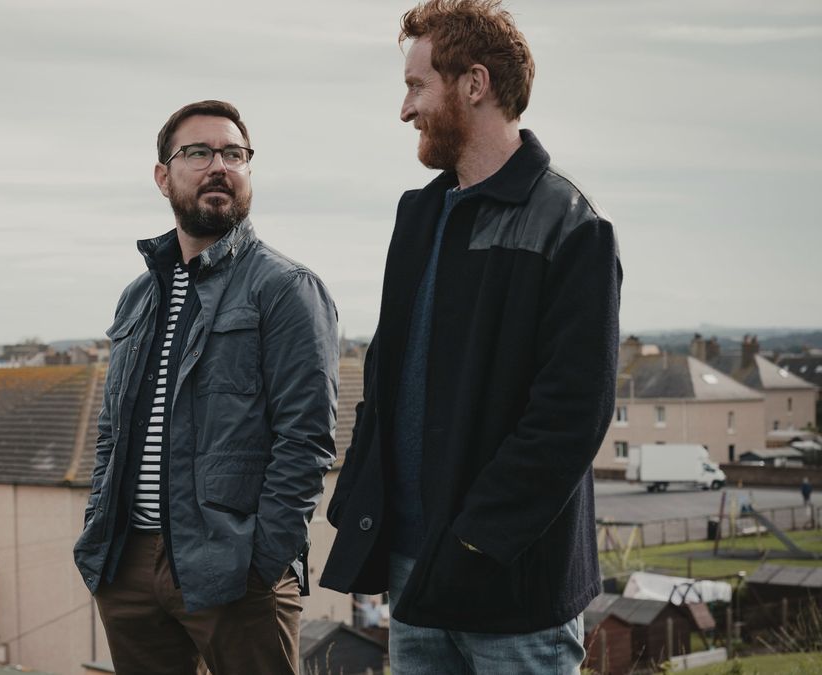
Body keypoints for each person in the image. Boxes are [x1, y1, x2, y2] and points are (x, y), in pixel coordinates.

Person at [319, 2, 622, 673]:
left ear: (474, 84)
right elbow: (385, 380)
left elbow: (571, 415)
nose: (404, 109)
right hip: (416, 578)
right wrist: (362, 505)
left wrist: (474, 543)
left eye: (416, 86)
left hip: (512, 592)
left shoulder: (571, 226)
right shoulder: (418, 215)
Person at [72, 100, 340, 675]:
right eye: (198, 152)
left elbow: (308, 439)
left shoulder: (286, 288)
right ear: (163, 176)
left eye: (234, 154)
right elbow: (111, 430)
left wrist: (262, 560)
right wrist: (100, 525)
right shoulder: (137, 297)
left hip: (235, 567)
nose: (219, 165)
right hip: (128, 565)